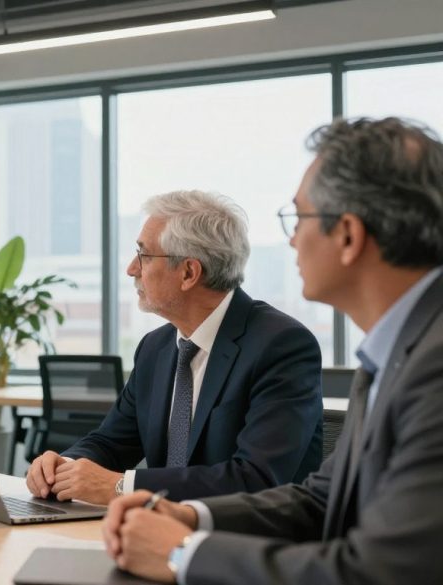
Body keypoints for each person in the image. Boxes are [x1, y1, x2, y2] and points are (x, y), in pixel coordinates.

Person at [104, 117, 443, 585]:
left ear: (347, 234)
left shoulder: (433, 366)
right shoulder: (393, 354)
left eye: (299, 218)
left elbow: (381, 571)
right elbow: (321, 500)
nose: (291, 240)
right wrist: (194, 519)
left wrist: (184, 554)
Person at [27, 190, 323, 505]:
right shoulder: (155, 348)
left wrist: (121, 486)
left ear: (188, 273)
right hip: (158, 535)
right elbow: (111, 442)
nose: (131, 268)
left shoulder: (281, 345)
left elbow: (255, 478)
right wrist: (63, 466)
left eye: (143, 255)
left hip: (249, 543)